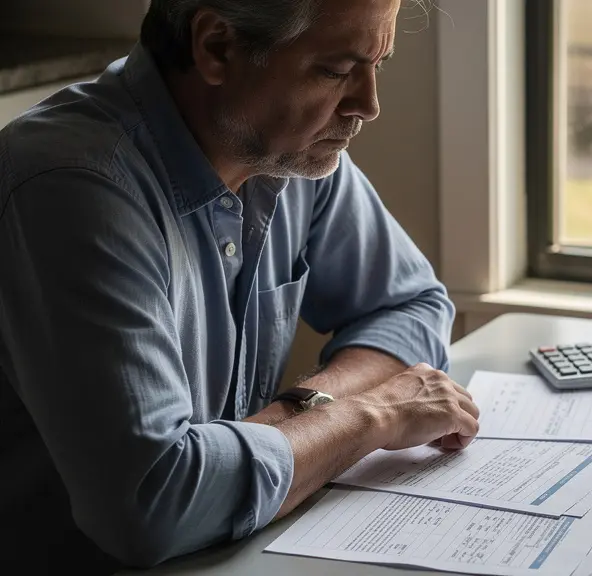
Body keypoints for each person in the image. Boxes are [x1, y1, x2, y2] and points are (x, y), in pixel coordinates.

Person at [0, 0, 481, 572]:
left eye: (377, 65)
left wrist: (300, 411)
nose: (368, 105)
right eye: (335, 71)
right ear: (217, 47)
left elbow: (412, 305)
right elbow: (156, 504)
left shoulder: (288, 150)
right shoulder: (72, 187)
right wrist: (370, 416)